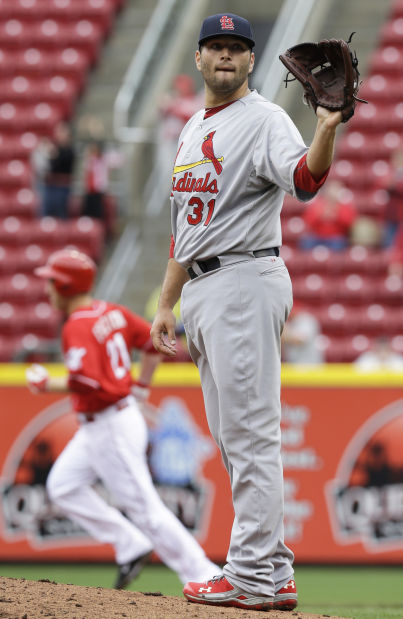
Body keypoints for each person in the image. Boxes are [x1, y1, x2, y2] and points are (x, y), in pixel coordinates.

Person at [150, 12, 345, 612]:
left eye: (238, 47)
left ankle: (253, 577)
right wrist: (166, 300)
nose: (226, 55)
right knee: (235, 439)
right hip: (206, 286)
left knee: (252, 435)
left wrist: (328, 126)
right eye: (216, 46)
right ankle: (273, 570)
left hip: (244, 277)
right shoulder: (191, 128)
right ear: (200, 58)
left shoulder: (262, 119)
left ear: (252, 60)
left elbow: (306, 179)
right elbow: (189, 226)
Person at [25, 248, 219, 590]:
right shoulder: (110, 311)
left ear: (66, 285)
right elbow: (151, 342)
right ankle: (130, 543)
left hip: (110, 425)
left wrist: (47, 383)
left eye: (52, 281)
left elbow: (88, 381)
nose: (48, 288)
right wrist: (142, 387)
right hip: (107, 421)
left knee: (146, 509)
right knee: (63, 486)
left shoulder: (77, 325)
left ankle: (203, 573)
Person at [300, 179, 357, 250]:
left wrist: (336, 215)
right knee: (306, 242)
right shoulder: (318, 204)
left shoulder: (344, 206)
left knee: (338, 244)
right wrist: (321, 215)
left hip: (336, 238)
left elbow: (350, 222)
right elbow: (308, 221)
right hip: (318, 237)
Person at [42, 121, 75, 219]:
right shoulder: (55, 148)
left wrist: (52, 152)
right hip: (50, 186)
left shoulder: (69, 151)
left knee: (61, 215)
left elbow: (61, 160)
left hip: (62, 187)